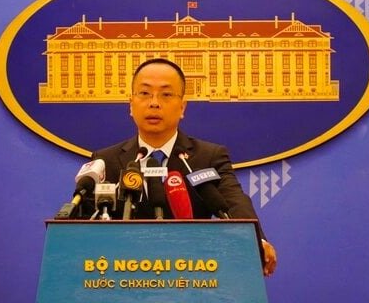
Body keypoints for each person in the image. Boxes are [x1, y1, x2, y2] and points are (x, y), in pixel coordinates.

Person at [90, 58, 277, 277]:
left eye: (166, 94)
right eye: (145, 93)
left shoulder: (208, 157)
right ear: (130, 105)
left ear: (182, 107)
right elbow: (84, 222)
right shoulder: (107, 160)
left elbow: (234, 200)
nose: (154, 103)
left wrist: (255, 240)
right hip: (123, 276)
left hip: (193, 275)